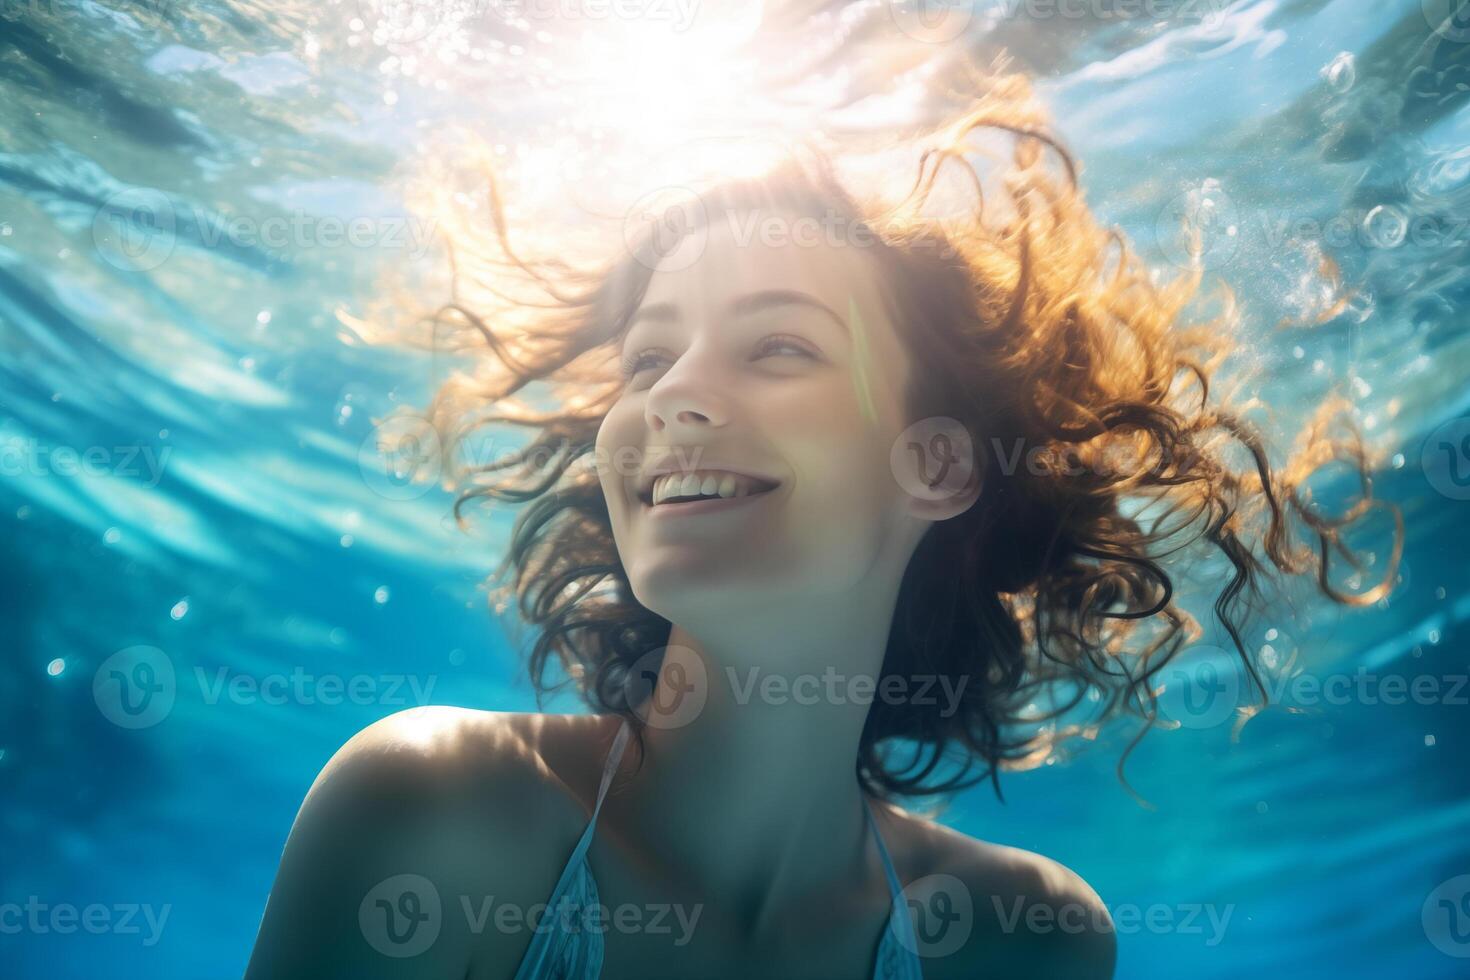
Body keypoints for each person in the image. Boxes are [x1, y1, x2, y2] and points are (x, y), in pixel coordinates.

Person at [245, 66, 1395, 979]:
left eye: (779, 346)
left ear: (938, 464)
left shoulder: (1026, 942)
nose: (670, 393)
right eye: (649, 355)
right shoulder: (428, 811)